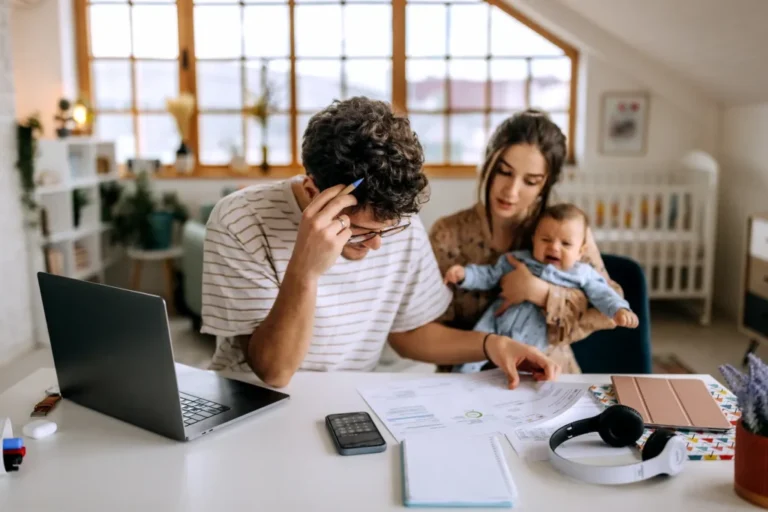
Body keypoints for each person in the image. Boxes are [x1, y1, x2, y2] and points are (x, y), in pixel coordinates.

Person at [200, 97, 561, 389]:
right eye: (360, 231)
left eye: (385, 231)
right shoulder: (240, 220)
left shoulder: (400, 223)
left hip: (347, 401)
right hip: (251, 402)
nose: (376, 246)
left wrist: (492, 344)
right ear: (312, 192)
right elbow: (274, 372)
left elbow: (409, 334)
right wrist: (305, 272)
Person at [430, 109, 625, 374]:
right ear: (487, 163)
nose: (511, 191)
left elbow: (608, 310)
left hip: (546, 375)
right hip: (466, 378)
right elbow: (422, 330)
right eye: (504, 172)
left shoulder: (566, 234)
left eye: (531, 181)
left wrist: (540, 293)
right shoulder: (448, 234)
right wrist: (490, 345)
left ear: (546, 185)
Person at [444, 203, 638, 372]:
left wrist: (618, 308)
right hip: (496, 321)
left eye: (566, 244)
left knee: (533, 365)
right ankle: (460, 383)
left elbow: (602, 293)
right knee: (473, 352)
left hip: (536, 334)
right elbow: (489, 275)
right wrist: (465, 275)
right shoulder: (517, 259)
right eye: (546, 240)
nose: (554, 247)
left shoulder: (583, 274)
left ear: (581, 251)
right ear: (534, 239)